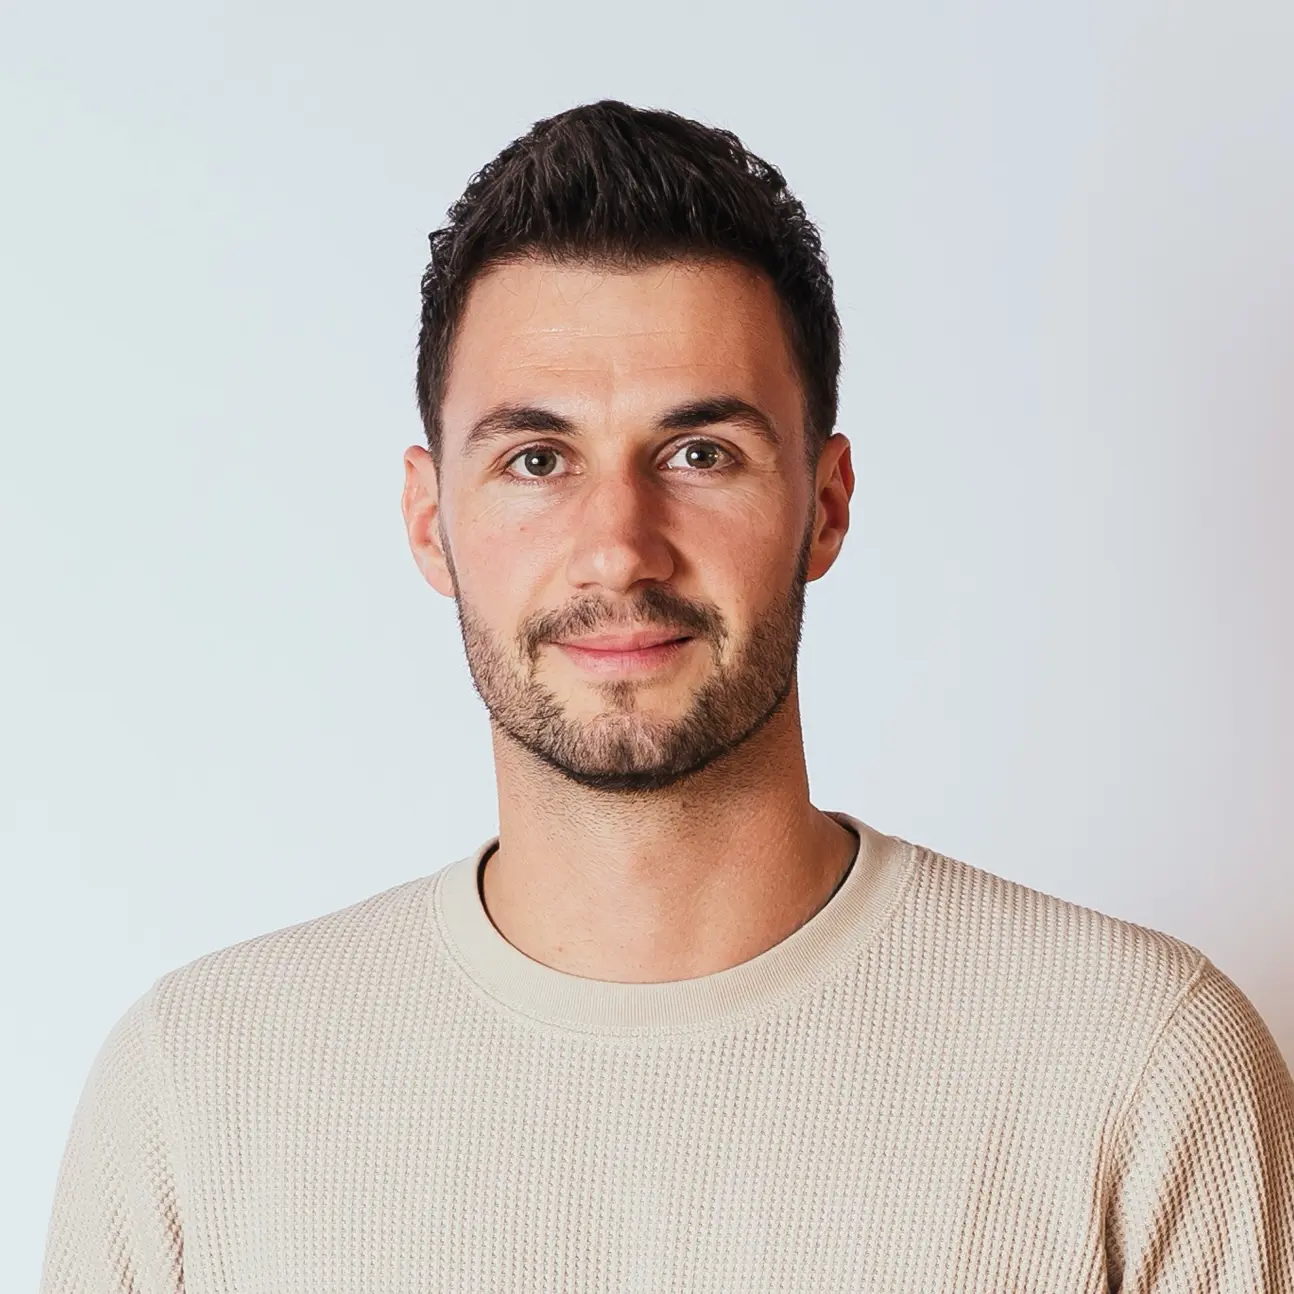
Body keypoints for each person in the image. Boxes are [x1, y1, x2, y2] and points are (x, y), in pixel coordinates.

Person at [41, 99, 1293, 1293]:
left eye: (700, 454)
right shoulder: (196, 1097)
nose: (619, 549)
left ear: (825, 504)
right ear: (430, 521)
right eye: (538, 458)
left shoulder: (1135, 1070)